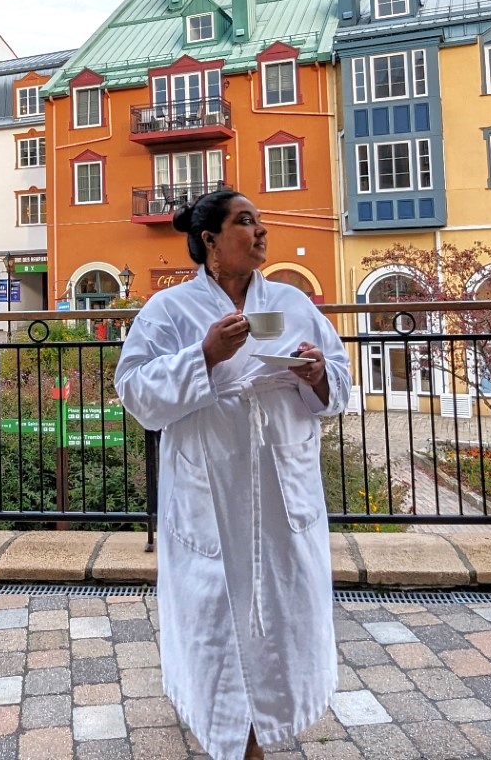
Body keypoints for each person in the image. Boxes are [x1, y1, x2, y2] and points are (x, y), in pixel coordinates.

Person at [114, 189, 351, 760]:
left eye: (261, 221)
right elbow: (135, 394)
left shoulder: (293, 303)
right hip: (208, 490)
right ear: (211, 241)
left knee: (282, 614)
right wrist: (204, 355)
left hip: (279, 488)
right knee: (215, 615)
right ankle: (234, 734)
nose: (261, 232)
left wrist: (317, 375)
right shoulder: (168, 312)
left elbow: (341, 381)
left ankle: (265, 725)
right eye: (246, 222)